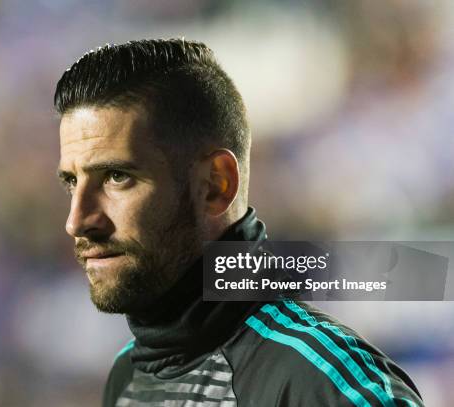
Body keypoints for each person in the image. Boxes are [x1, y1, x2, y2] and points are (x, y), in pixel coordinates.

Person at [54, 39, 423, 406]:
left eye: (117, 176)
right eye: (72, 181)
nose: (77, 221)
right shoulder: (127, 377)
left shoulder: (316, 381)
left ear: (216, 185)